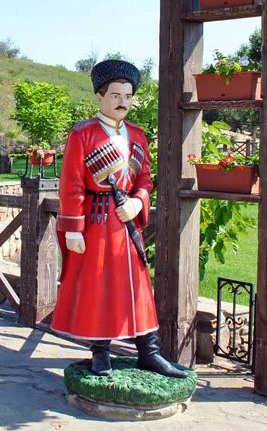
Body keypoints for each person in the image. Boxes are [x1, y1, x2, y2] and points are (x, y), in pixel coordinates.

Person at [51, 60, 184, 379]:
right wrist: (74, 228)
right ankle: (100, 353)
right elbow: (71, 184)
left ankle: (149, 352)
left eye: (128, 95)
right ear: (100, 96)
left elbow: (146, 179)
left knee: (138, 286)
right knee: (100, 286)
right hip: (96, 223)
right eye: (115, 95)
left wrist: (138, 203)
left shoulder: (138, 135)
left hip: (127, 225)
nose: (123, 101)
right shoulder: (83, 134)